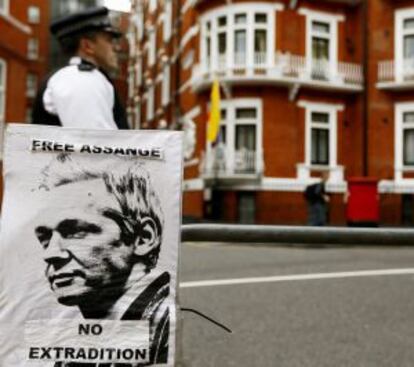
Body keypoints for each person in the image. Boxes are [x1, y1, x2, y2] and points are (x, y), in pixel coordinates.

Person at [33, 154, 169, 366]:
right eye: (45, 238)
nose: (50, 253)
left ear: (143, 238)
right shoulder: (77, 336)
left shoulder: (165, 327)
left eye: (75, 231)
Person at [31, 7, 129, 130]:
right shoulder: (83, 78)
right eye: (109, 40)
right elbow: (95, 143)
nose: (115, 48)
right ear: (87, 46)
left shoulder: (74, 77)